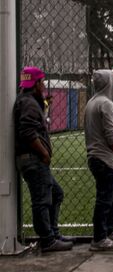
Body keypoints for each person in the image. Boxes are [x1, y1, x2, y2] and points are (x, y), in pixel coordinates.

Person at [13, 66, 74, 252]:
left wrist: (44, 104)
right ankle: (48, 240)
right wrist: (44, 153)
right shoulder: (29, 104)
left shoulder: (26, 101)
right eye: (42, 82)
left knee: (55, 193)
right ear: (37, 83)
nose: (44, 85)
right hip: (34, 159)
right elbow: (28, 131)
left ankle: (52, 234)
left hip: (31, 159)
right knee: (42, 200)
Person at [84, 70, 113, 251]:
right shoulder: (106, 104)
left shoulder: (92, 102)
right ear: (109, 83)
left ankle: (107, 231)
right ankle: (100, 237)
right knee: (106, 198)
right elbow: (111, 134)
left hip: (95, 157)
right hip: (104, 159)